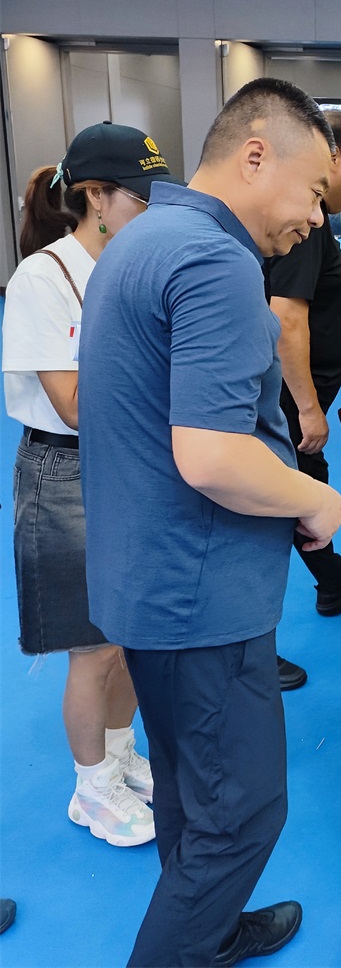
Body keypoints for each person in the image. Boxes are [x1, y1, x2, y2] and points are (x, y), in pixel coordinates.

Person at [78, 78, 341, 966]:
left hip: (147, 579)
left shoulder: (140, 238)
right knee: (242, 813)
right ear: (255, 155)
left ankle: (212, 930)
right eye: (316, 191)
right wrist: (313, 497)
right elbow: (211, 456)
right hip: (200, 596)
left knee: (194, 794)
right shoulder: (214, 262)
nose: (317, 218)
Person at [2, 122, 179, 848]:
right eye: (140, 197)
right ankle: (90, 787)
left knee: (133, 634)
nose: (153, 210)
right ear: (97, 197)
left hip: (134, 462)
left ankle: (119, 753)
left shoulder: (140, 265)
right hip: (66, 472)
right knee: (92, 644)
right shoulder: (45, 278)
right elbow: (74, 405)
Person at [264, 108, 341, 691]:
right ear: (331, 158)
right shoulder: (304, 228)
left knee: (305, 493)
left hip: (290, 401)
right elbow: (286, 320)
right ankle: (250, 649)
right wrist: (308, 409)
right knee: (270, 513)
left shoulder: (315, 224)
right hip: (286, 404)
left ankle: (334, 581)